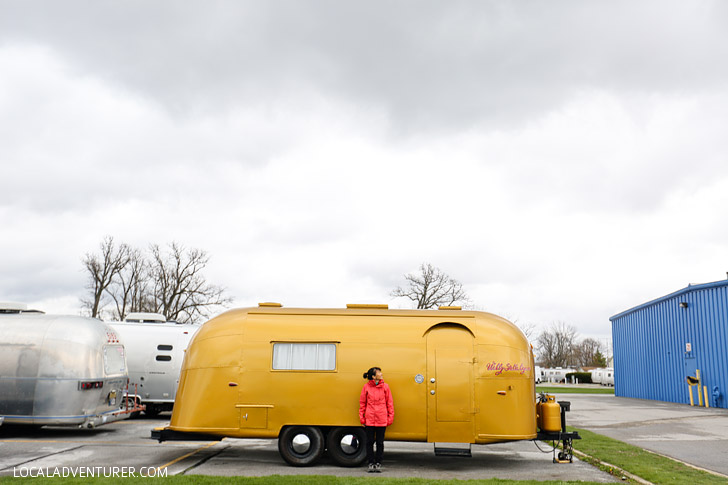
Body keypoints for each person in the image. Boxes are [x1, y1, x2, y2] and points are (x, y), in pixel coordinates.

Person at [359, 366, 394, 473]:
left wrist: (390, 418)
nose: (381, 374)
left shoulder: (385, 387)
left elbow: (390, 403)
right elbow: (362, 404)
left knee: (380, 442)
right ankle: (370, 463)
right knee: (369, 442)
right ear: (373, 376)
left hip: (381, 419)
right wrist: (362, 418)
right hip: (369, 419)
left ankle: (378, 463)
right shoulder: (366, 387)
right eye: (379, 372)